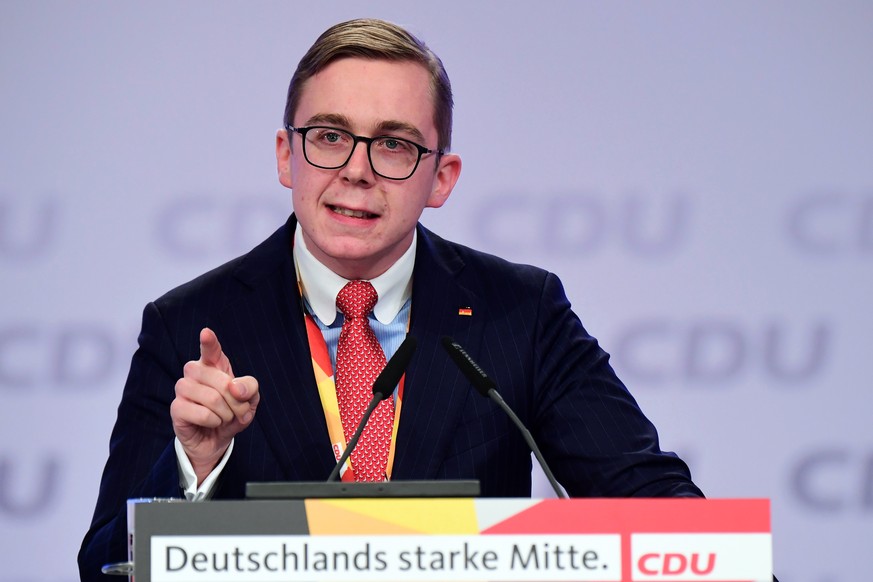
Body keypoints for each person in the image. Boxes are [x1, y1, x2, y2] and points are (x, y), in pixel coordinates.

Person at [78, 17, 703, 580]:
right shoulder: (189, 324)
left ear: (442, 178)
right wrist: (193, 464)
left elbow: (643, 492)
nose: (357, 169)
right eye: (329, 136)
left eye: (394, 145)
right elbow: (105, 565)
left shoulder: (521, 314)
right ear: (285, 157)